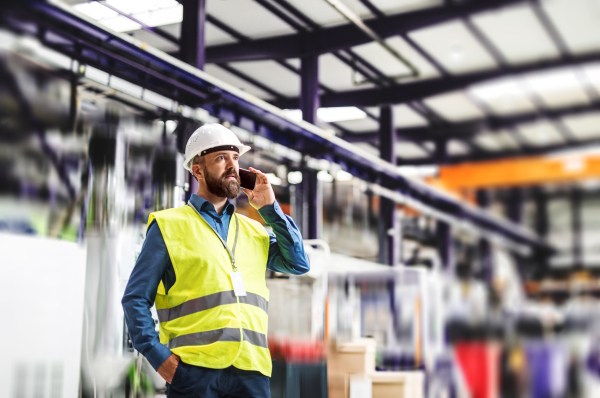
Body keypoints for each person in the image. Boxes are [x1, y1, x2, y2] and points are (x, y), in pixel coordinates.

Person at [122, 124, 310, 398]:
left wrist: (270, 209)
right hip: (195, 375)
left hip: (252, 374)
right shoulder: (168, 226)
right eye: (221, 158)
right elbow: (135, 299)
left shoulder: (255, 230)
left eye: (236, 158)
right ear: (197, 170)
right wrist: (160, 359)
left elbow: (298, 263)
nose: (232, 166)